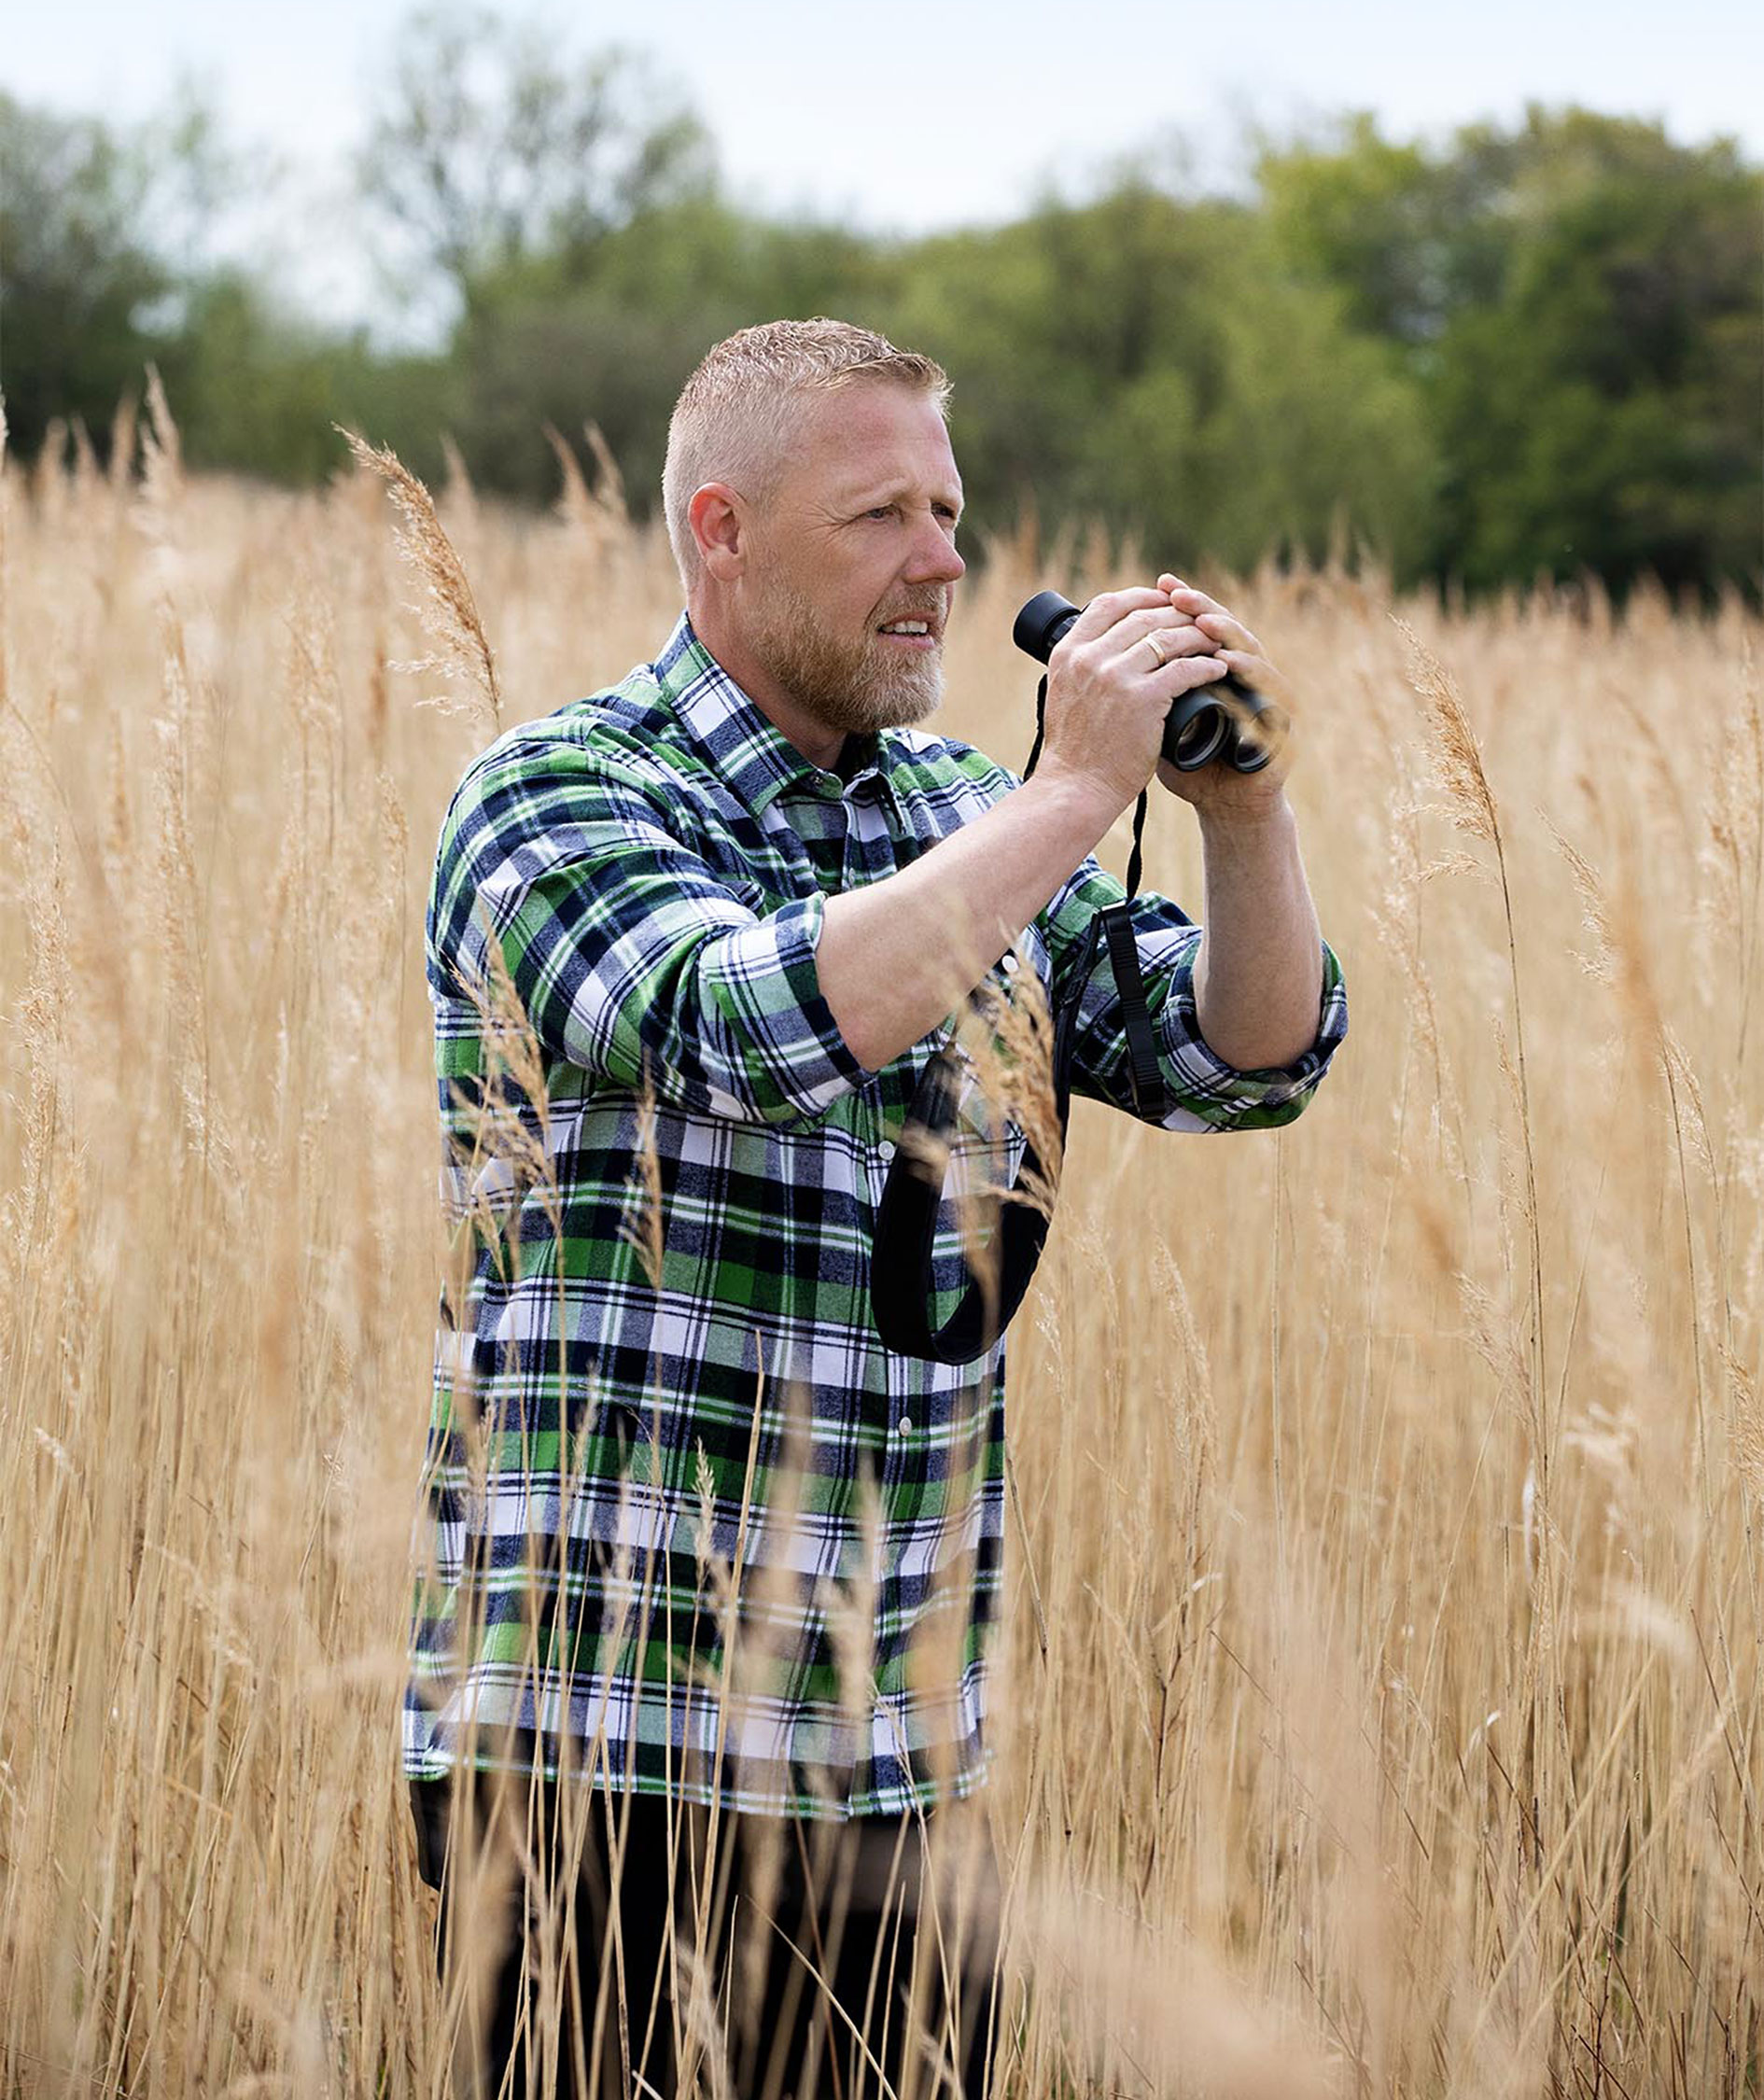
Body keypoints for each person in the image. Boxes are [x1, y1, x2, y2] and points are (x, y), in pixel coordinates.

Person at [404, 317, 1348, 2097]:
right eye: (881, 516)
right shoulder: (554, 795)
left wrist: (1239, 814)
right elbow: (747, 1020)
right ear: (721, 529)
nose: (945, 560)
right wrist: (1076, 792)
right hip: (604, 1754)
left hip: (892, 1766)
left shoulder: (960, 814)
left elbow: (1248, 1059)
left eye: (950, 507)